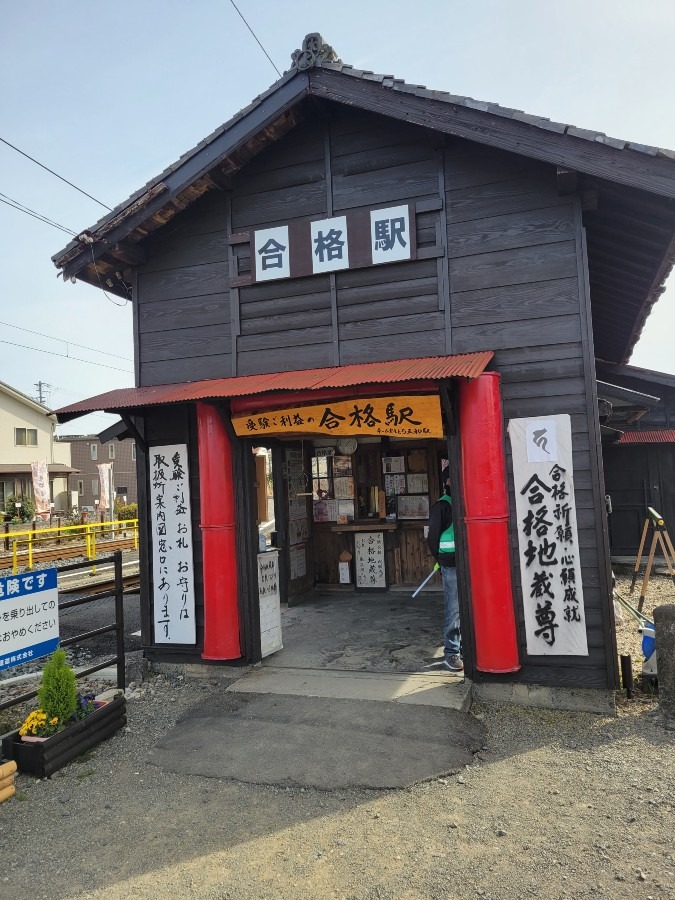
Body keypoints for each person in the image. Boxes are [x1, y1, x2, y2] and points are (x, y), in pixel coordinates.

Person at [427, 469, 463, 671]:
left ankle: (467, 648)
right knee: (454, 610)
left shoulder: (464, 501)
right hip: (450, 564)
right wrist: (439, 559)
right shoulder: (442, 505)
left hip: (469, 564)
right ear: (448, 481)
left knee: (468, 609)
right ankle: (451, 653)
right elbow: (432, 539)